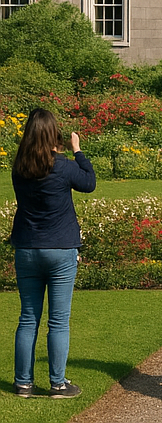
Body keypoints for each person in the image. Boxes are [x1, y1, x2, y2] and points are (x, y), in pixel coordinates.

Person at [10, 108, 96, 399]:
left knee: (28, 319)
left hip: (27, 246)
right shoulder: (62, 166)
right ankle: (57, 384)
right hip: (59, 247)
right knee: (58, 321)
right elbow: (89, 183)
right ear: (53, 136)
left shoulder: (20, 166)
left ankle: (23, 383)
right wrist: (78, 151)